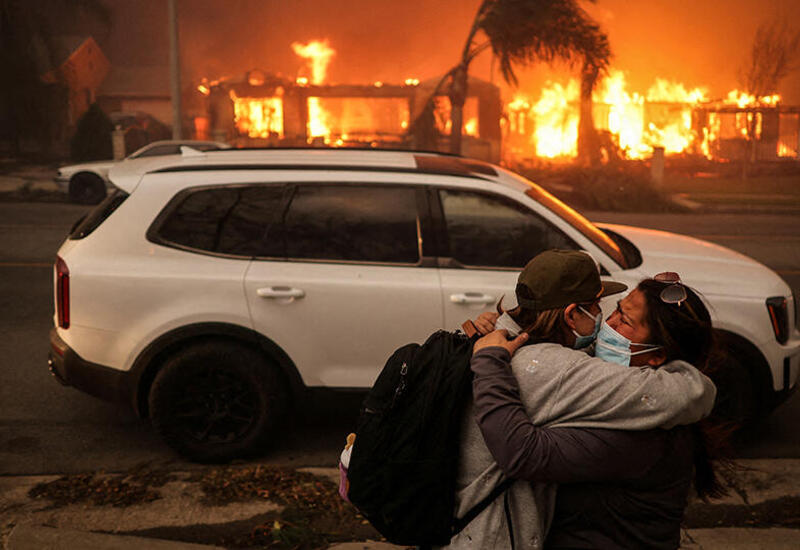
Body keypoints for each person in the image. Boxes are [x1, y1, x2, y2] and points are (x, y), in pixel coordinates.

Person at [440, 251, 717, 550]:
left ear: (658, 355)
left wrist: (491, 355)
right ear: (572, 314)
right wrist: (504, 329)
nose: (606, 322)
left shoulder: (644, 431)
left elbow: (525, 452)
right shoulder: (597, 383)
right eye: (610, 309)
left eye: (622, 320)